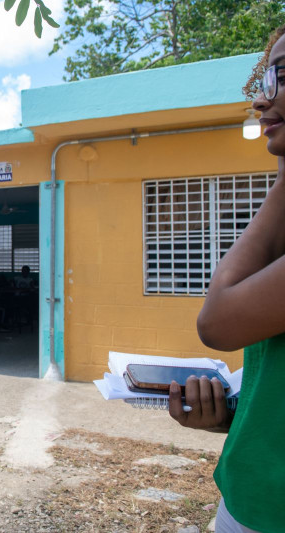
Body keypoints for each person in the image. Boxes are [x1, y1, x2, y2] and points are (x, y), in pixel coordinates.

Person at [168, 25, 285, 533]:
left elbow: (218, 322)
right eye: (265, 79)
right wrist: (233, 416)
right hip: (251, 499)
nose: (262, 99)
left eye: (280, 77)